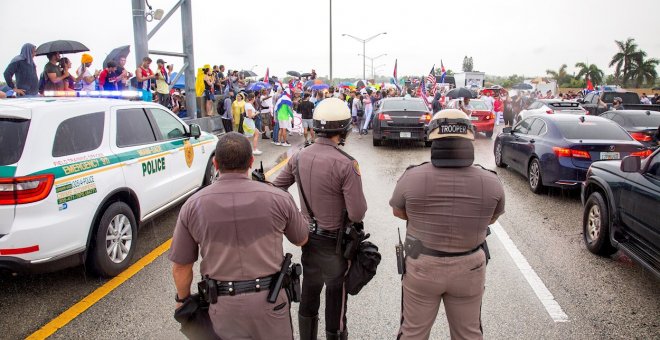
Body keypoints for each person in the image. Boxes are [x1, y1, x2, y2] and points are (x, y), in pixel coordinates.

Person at [170, 132, 309, 340]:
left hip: (223, 307)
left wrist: (182, 300)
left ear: (215, 164)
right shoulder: (279, 198)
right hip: (271, 303)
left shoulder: (193, 205)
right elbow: (302, 239)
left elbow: (181, 265)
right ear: (251, 161)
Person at [390, 109, 505, 340]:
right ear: (469, 139)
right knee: (469, 334)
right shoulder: (492, 181)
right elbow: (492, 218)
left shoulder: (411, 176)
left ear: (432, 138)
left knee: (412, 332)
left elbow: (398, 211)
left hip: (423, 266)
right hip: (469, 267)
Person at [272, 98, 367, 340]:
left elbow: (276, 188)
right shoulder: (347, 163)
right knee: (336, 301)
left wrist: (296, 218)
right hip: (335, 244)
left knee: (310, 295)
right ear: (343, 130)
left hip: (308, 238)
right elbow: (357, 213)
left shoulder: (299, 156)